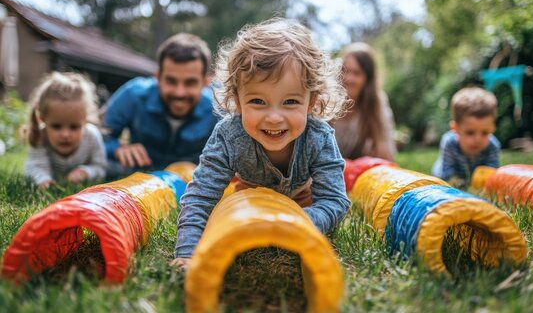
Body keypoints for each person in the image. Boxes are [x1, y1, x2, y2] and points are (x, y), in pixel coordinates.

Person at [171, 18, 352, 269]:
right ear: (237, 99)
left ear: (311, 102)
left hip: (301, 201)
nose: (274, 117)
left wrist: (299, 222)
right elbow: (200, 196)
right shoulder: (229, 136)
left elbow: (334, 200)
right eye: (258, 101)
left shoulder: (318, 137)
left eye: (290, 102)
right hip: (249, 200)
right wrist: (187, 252)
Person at [102, 33, 218, 175]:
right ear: (158, 77)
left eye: (190, 83)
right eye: (171, 81)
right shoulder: (133, 95)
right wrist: (117, 148)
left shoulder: (218, 109)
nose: (179, 93)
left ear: (205, 82)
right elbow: (100, 135)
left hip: (191, 180)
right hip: (140, 174)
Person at [23, 72, 107, 189]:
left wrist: (86, 172)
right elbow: (35, 167)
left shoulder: (92, 136)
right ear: (43, 119)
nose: (65, 134)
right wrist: (43, 180)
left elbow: (100, 168)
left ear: (85, 120)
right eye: (56, 126)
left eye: (74, 127)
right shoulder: (40, 136)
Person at [332, 42, 396, 161]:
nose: (348, 78)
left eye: (356, 73)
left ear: (368, 79)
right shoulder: (326, 100)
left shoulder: (377, 102)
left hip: (359, 169)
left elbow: (386, 154)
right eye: (345, 71)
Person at [432, 87, 500, 187]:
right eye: (470, 133)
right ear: (455, 129)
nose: (478, 139)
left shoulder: (492, 145)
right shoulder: (449, 143)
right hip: (443, 172)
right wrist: (457, 183)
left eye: (485, 133)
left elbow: (491, 173)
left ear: (493, 128)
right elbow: (448, 174)